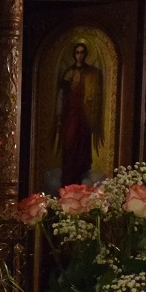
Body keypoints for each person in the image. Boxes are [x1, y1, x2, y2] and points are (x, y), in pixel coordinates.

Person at [55, 41, 103, 187]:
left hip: (84, 115)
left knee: (82, 145)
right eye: (77, 53)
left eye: (82, 53)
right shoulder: (68, 73)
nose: (80, 56)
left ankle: (81, 178)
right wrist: (59, 115)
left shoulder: (91, 72)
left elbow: (95, 95)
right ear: (74, 54)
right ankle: (68, 180)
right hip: (70, 114)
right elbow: (61, 94)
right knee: (69, 144)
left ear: (86, 54)